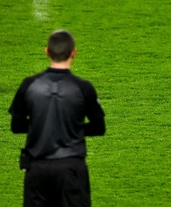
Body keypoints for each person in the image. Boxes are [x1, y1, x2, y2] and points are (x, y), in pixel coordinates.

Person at [9, 30, 106, 207]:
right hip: (71, 170)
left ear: (47, 52)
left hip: (37, 169)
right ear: (73, 53)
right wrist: (72, 127)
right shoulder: (83, 88)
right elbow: (99, 127)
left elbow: (16, 125)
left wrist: (42, 126)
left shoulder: (30, 85)